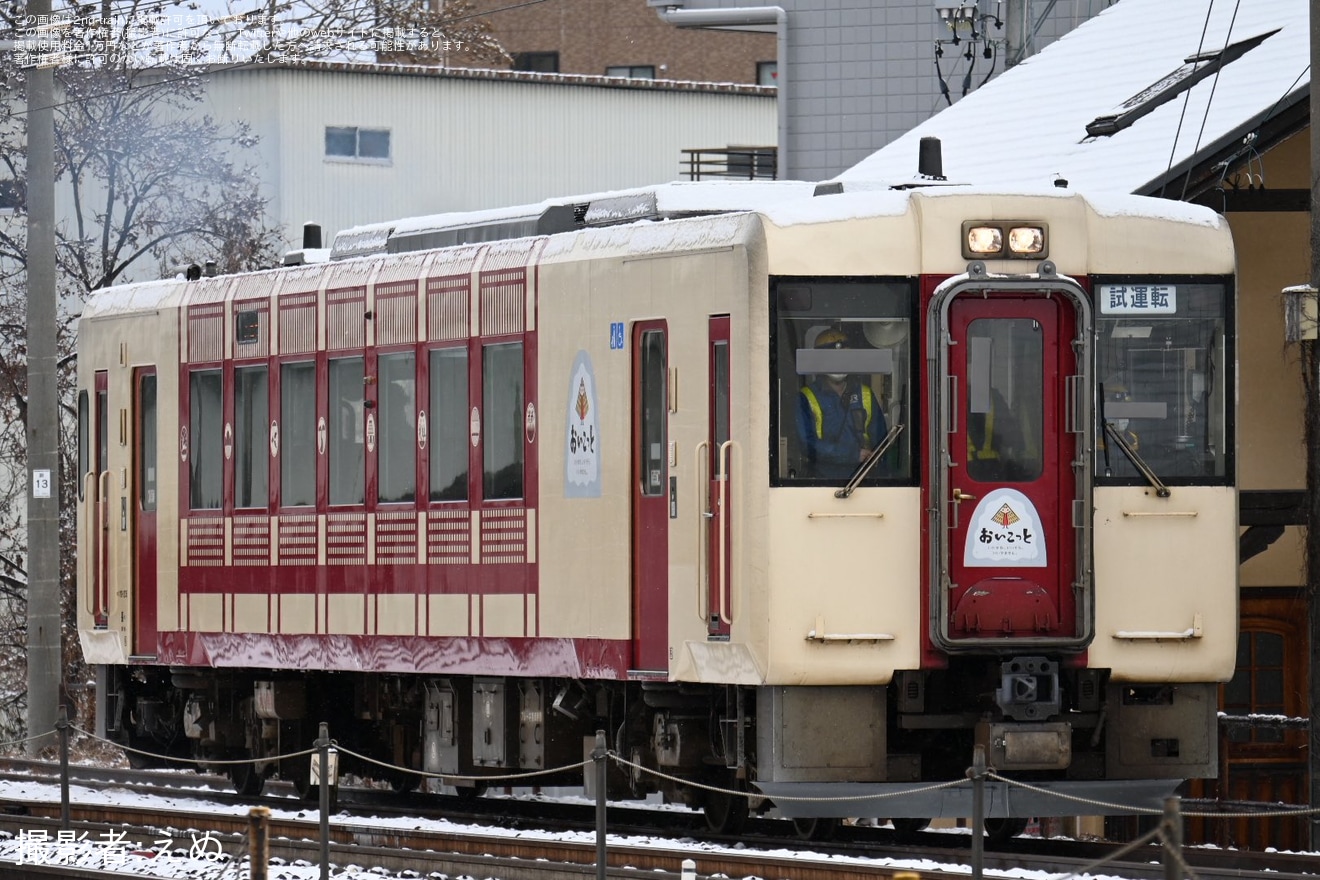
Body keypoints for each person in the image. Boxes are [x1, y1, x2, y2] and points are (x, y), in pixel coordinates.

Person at [797, 329, 885, 478]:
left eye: (842, 358)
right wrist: (852, 455)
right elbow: (807, 445)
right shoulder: (806, 397)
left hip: (862, 483)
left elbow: (882, 443)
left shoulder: (865, 394)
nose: (837, 364)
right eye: (831, 359)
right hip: (819, 484)